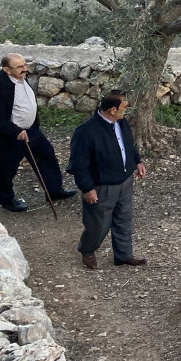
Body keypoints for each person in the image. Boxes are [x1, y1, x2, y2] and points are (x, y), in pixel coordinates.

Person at [0, 52, 77, 211]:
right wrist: (15, 131)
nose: (24, 69)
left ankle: (54, 191)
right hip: (9, 136)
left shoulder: (21, 77)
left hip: (31, 130)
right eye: (19, 67)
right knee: (7, 168)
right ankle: (6, 200)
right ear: (6, 70)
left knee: (47, 156)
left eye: (24, 64)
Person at [66, 90, 147, 269]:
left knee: (123, 220)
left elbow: (128, 145)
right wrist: (87, 188)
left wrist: (137, 161)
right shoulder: (86, 131)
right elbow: (79, 164)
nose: (126, 109)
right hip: (102, 187)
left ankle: (124, 255)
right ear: (112, 109)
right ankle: (87, 249)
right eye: (124, 106)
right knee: (98, 224)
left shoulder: (121, 122)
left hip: (125, 183)